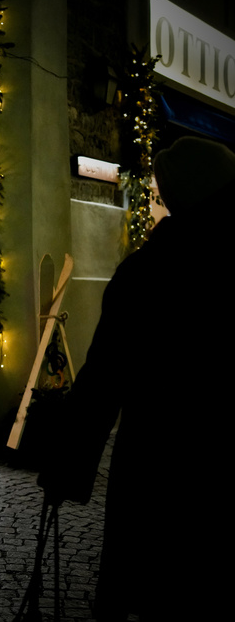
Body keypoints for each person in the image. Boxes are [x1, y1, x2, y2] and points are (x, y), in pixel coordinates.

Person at [37, 136, 233, 621]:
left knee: (143, 587)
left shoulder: (147, 274)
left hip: (157, 463)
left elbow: (104, 379)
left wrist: (68, 465)